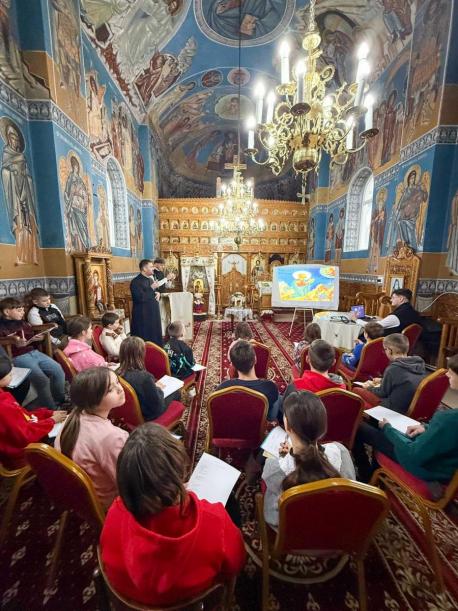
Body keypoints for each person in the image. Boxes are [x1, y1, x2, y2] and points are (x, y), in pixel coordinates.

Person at [100, 423, 245, 606]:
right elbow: (236, 562)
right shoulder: (214, 520)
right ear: (178, 473)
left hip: (129, 601)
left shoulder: (115, 512)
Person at [354, 354, 458, 484]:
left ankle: (366, 476)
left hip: (425, 469)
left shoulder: (447, 419)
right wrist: (426, 428)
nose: (447, 374)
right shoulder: (447, 419)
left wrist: (388, 429)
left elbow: (413, 453)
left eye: (452, 372)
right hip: (443, 465)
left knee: (359, 428)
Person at [262, 391, 356, 527]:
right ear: (323, 426)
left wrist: (283, 456)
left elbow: (272, 515)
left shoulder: (275, 467)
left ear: (287, 426)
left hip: (292, 531)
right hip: (337, 526)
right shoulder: (341, 452)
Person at [55, 367, 128, 508]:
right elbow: (129, 484)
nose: (120, 389)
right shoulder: (112, 437)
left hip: (83, 497)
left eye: (117, 382)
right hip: (110, 502)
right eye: (110, 390)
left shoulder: (71, 419)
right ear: (93, 400)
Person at [0, 356, 67, 467]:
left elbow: (23, 416)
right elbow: (25, 436)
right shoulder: (4, 407)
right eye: (10, 374)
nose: (12, 375)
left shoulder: (4, 396)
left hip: (22, 440)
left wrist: (47, 414)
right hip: (22, 453)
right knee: (66, 439)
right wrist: (51, 421)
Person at [0, 298, 65, 409]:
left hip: (33, 352)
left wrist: (39, 338)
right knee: (41, 379)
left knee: (58, 369)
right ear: (7, 312)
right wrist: (14, 340)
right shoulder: (1, 326)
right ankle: (52, 409)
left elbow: (30, 336)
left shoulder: (23, 323)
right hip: (18, 356)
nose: (23, 312)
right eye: (19, 310)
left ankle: (60, 401)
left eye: (23, 310)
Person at [353, 333, 426, 413]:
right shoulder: (418, 362)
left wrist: (368, 387)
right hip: (409, 404)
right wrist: (382, 380)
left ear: (390, 351)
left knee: (356, 390)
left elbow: (382, 393)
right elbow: (402, 379)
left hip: (393, 409)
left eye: (385, 349)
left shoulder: (393, 368)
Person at [218, 341, 279, 421]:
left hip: (233, 422)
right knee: (278, 398)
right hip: (257, 422)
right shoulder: (270, 388)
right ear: (255, 359)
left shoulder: (222, 388)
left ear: (233, 365)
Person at [117, 336, 170, 421]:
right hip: (148, 414)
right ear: (140, 354)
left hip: (130, 413)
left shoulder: (116, 373)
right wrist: (159, 389)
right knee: (176, 393)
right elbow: (157, 406)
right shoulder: (145, 377)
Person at [351, 288, 422, 336]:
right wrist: (384, 320)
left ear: (401, 299)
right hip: (403, 343)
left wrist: (356, 320)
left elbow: (373, 327)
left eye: (393, 297)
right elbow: (398, 322)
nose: (391, 300)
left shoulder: (396, 316)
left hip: (388, 343)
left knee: (359, 336)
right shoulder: (412, 311)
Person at [130, 259, 163, 346]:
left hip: (153, 315)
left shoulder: (150, 280)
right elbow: (139, 298)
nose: (153, 268)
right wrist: (151, 288)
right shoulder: (135, 282)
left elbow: (152, 293)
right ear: (144, 269)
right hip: (143, 317)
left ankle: (156, 351)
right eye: (151, 266)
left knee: (154, 337)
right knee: (144, 340)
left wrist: (158, 293)